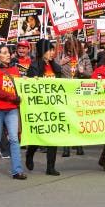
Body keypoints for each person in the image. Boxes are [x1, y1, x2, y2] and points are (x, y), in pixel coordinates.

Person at [0, 44, 27, 179]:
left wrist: (30, 81)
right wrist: (13, 98)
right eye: (4, 53)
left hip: (11, 109)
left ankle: (17, 170)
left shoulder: (15, 70)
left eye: (8, 52)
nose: (8, 55)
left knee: (14, 139)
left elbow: (20, 86)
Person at [25, 39, 63, 176]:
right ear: (42, 52)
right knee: (38, 135)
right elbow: (28, 87)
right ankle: (30, 153)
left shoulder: (56, 67)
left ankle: (50, 167)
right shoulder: (34, 66)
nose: (52, 53)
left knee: (53, 136)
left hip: (53, 106)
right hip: (39, 107)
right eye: (49, 50)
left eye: (53, 50)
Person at [59, 37, 91, 156]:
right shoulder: (61, 57)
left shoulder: (84, 57)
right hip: (65, 91)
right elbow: (55, 71)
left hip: (78, 91)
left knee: (78, 118)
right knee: (66, 119)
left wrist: (83, 72)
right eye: (68, 50)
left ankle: (79, 145)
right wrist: (60, 63)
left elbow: (90, 73)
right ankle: (66, 147)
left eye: (72, 50)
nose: (70, 53)